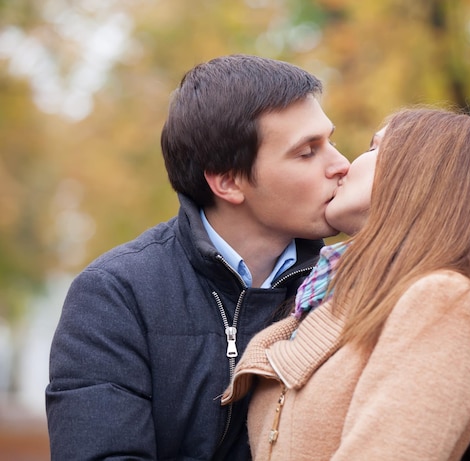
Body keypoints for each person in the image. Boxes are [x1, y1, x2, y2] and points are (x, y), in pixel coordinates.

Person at [45, 54, 350, 460]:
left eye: (330, 140)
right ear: (227, 181)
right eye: (307, 152)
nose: (341, 164)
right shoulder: (114, 297)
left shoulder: (349, 287)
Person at [221, 107, 470, 461]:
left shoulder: (443, 302)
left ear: (419, 175)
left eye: (375, 148)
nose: (344, 165)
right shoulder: (324, 299)